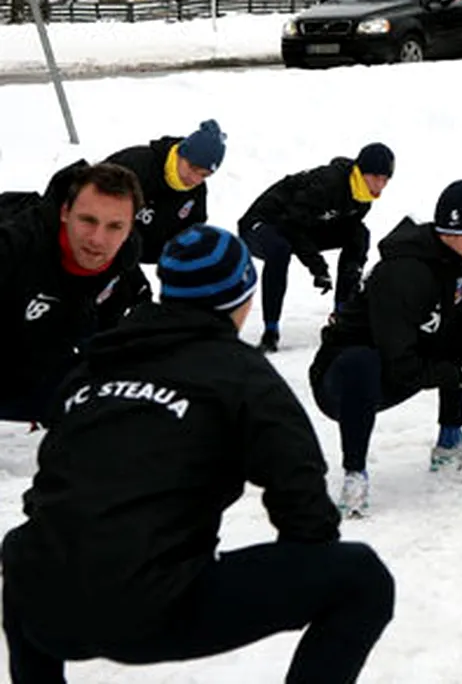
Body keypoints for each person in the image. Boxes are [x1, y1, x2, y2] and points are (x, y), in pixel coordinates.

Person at [1, 224, 395, 684]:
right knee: (361, 580)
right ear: (242, 299)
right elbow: (304, 505)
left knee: (31, 552)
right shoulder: (242, 375)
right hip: (150, 609)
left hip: (44, 613)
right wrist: (299, 574)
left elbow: (50, 490)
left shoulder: (92, 366)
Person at [309, 180, 462, 518]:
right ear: (449, 232)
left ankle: (449, 441)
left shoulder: (455, 263)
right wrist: (454, 374)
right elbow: (400, 364)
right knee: (361, 362)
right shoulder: (403, 273)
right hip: (341, 383)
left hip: (399, 365)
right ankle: (355, 476)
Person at [0, 162, 151, 426]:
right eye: (88, 220)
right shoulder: (14, 248)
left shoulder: (124, 259)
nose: (97, 239)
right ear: (65, 212)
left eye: (115, 226)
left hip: (50, 358)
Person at [237, 143, 395, 353]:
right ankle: (270, 331)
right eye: (376, 177)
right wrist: (317, 267)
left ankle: (343, 314)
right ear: (361, 171)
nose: (380, 185)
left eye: (385, 180)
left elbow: (323, 228)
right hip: (263, 224)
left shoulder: (362, 198)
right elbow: (291, 225)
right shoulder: (329, 183)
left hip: (300, 225)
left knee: (358, 234)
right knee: (280, 249)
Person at [104, 119, 226, 263]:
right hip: (101, 248)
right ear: (181, 154)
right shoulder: (134, 165)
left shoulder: (196, 191)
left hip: (140, 260)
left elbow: (193, 229)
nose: (195, 179)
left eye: (204, 175)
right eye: (192, 168)